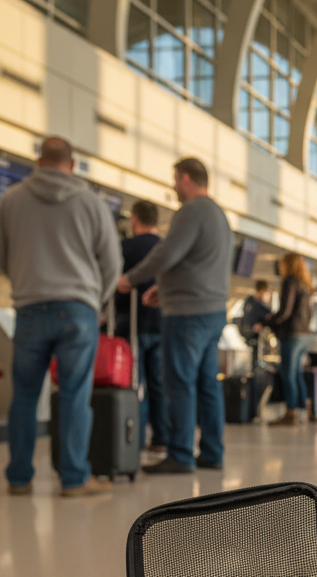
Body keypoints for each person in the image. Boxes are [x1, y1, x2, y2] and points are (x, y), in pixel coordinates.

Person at [0, 136, 121, 497]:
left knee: (23, 396)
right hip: (78, 309)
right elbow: (111, 263)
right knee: (74, 396)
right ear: (72, 163)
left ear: (39, 161)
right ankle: (74, 478)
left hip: (30, 306)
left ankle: (19, 477)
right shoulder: (91, 203)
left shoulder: (10, 200)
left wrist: (27, 283)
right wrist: (95, 298)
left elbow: (2, 256)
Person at [117, 157, 233, 474]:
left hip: (188, 315)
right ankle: (211, 452)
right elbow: (196, 263)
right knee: (207, 384)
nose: (173, 187)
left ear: (184, 179)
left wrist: (132, 279)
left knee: (179, 382)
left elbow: (168, 253)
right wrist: (163, 290)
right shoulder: (219, 215)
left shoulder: (191, 211)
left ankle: (180, 454)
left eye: (174, 180)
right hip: (211, 311)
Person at [114, 199, 166, 454]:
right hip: (162, 325)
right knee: (159, 385)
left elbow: (118, 285)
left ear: (135, 219)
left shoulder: (127, 248)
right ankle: (161, 438)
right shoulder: (167, 248)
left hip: (133, 325)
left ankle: (136, 438)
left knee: (136, 385)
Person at [263, 254, 313, 426]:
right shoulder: (306, 286)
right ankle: (306, 408)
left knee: (288, 373)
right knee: (297, 373)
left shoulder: (290, 282)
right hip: (304, 335)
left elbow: (285, 311)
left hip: (292, 334)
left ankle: (290, 411)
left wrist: (268, 321)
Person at [236, 279, 272, 367]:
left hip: (248, 333)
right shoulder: (258, 305)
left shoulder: (250, 301)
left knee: (255, 359)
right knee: (256, 359)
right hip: (254, 335)